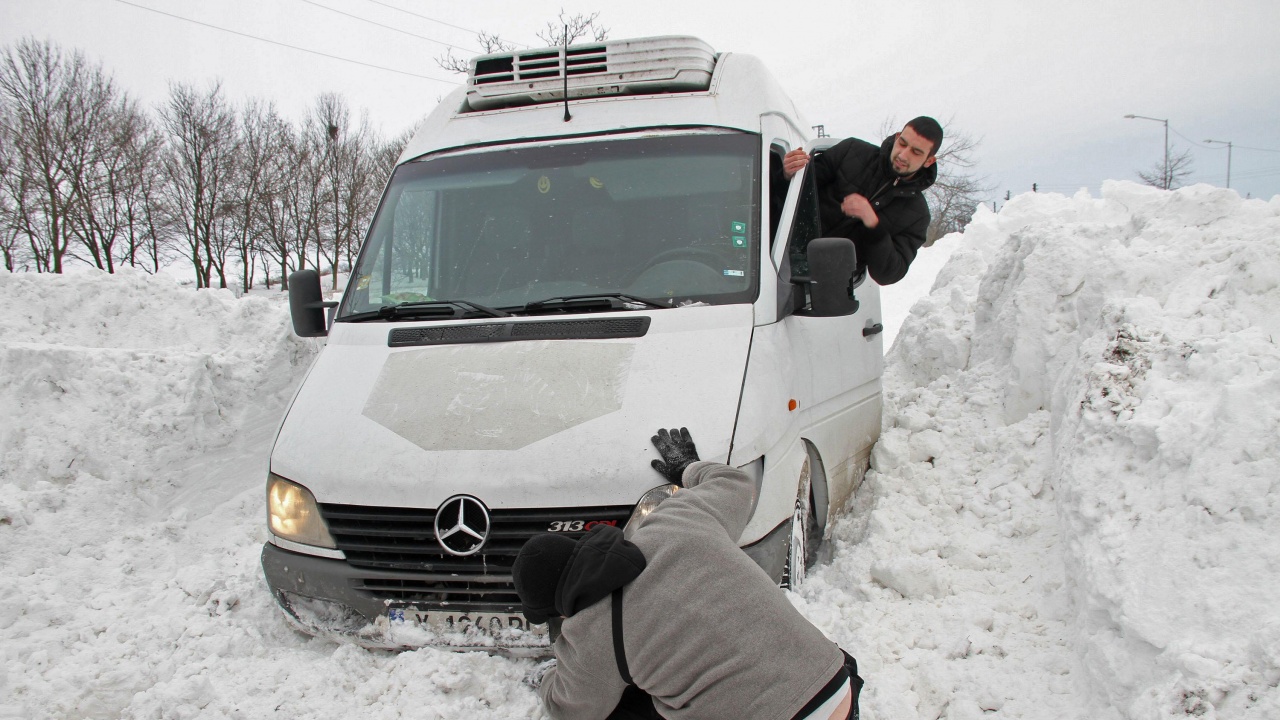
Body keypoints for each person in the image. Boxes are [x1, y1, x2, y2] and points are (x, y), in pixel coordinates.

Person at [514, 428, 863, 720]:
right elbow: (734, 484)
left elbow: (570, 709)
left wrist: (552, 675)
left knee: (621, 706)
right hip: (835, 681)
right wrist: (688, 467)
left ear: (559, 608)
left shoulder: (591, 635)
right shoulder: (674, 522)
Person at [781, 117, 942, 285]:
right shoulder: (852, 151)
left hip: (825, 289)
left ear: (929, 160)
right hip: (774, 260)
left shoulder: (917, 215)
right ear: (896, 137)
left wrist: (873, 225)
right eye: (902, 143)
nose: (903, 155)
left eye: (916, 152)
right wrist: (787, 175)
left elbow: (889, 274)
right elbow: (787, 194)